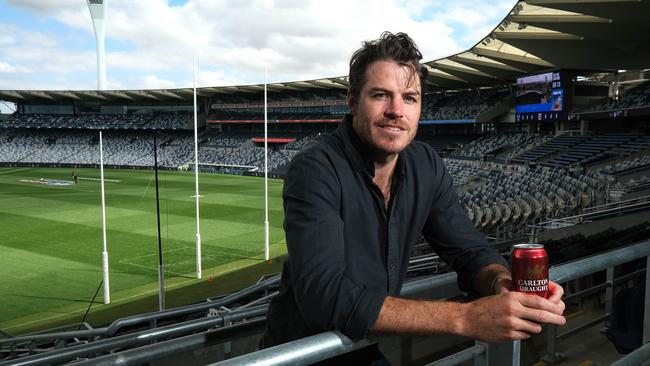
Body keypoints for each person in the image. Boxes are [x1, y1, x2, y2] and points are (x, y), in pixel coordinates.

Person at [262, 32, 565, 350]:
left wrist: (499, 281)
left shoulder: (426, 164)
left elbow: (469, 249)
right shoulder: (315, 167)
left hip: (362, 348)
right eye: (380, 95)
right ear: (352, 102)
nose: (396, 109)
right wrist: (465, 318)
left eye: (409, 97)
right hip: (300, 354)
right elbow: (326, 297)